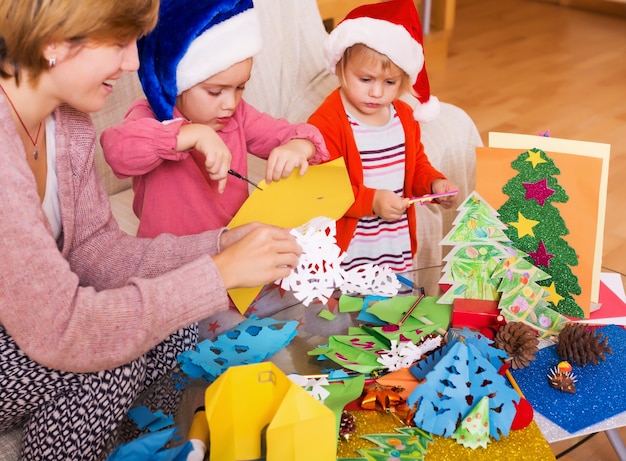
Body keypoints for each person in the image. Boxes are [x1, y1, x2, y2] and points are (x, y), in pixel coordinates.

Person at [0, 0, 302, 459]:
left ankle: (159, 441)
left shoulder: (68, 126)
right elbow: (67, 327)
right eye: (120, 43)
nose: (135, 62)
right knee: (111, 360)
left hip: (35, 328)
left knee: (175, 331)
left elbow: (97, 252)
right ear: (55, 40)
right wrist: (216, 273)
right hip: (26, 334)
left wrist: (220, 244)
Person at [101, 0, 329, 239]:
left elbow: (295, 133)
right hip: (170, 257)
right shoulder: (151, 116)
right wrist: (192, 135)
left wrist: (299, 146)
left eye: (240, 87)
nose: (230, 103)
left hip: (234, 246)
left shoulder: (238, 115)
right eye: (215, 92)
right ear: (177, 83)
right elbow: (118, 150)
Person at [308, 0, 458, 282]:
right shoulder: (328, 121)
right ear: (340, 67)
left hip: (393, 246)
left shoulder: (403, 115)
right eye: (365, 79)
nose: (376, 92)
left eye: (390, 83)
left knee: (392, 315)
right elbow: (323, 189)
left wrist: (434, 184)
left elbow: (415, 164)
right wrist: (372, 200)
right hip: (349, 251)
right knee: (350, 320)